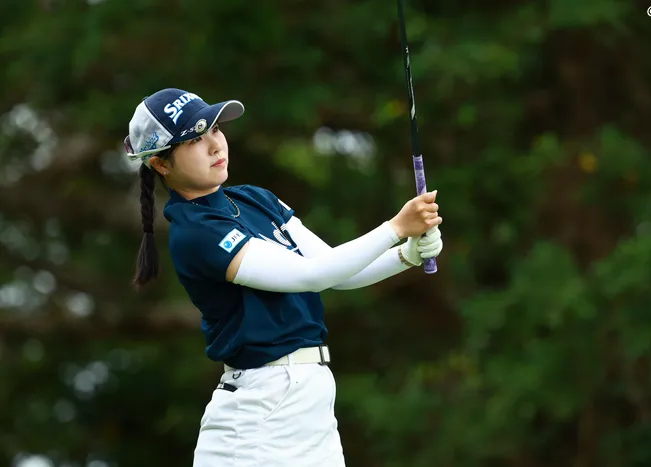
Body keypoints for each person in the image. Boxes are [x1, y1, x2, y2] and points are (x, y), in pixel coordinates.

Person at [124, 88, 443, 467]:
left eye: (214, 129)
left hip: (312, 405)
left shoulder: (256, 199)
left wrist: (405, 255)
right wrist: (396, 228)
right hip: (257, 416)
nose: (214, 145)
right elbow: (311, 275)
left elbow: (334, 269)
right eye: (194, 140)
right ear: (161, 164)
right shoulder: (196, 232)